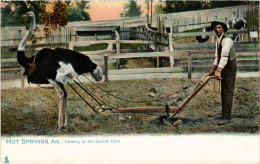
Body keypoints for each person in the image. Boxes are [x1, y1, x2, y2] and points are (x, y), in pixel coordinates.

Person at [208, 18, 237, 125]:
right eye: (215, 28)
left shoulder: (227, 41)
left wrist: (218, 71)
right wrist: (212, 70)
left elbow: (224, 57)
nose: (217, 29)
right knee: (223, 92)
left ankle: (227, 117)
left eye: (219, 27)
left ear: (224, 29)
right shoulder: (218, 41)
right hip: (223, 66)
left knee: (228, 91)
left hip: (229, 67)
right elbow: (217, 56)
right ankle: (223, 114)